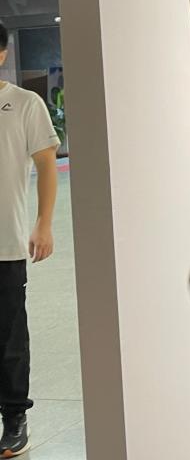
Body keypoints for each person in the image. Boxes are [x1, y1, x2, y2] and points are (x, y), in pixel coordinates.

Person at [0, 22, 60, 458]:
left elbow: (46, 164)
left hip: (5, 243)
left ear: (2, 54)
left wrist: (44, 223)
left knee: (9, 339)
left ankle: (15, 417)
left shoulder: (24, 103)